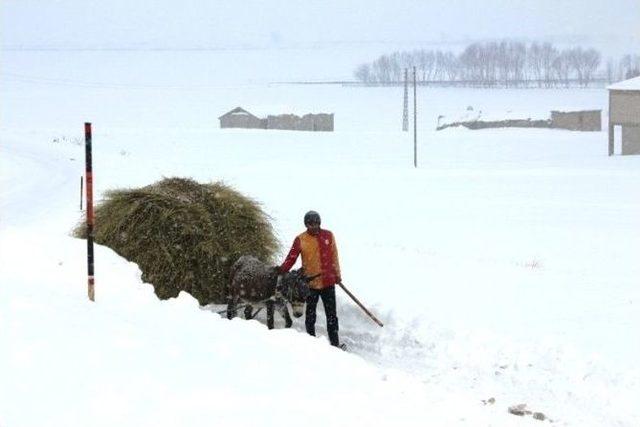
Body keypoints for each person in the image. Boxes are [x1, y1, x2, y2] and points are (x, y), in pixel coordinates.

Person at [279, 210, 343, 348]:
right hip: (310, 284)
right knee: (310, 315)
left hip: (328, 282)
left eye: (316, 223)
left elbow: (334, 256)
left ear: (320, 223)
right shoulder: (301, 239)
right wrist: (281, 271)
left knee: (332, 316)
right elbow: (291, 258)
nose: (314, 226)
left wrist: (337, 274)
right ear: (306, 225)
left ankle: (335, 344)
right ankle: (311, 343)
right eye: (310, 224)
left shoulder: (328, 235)